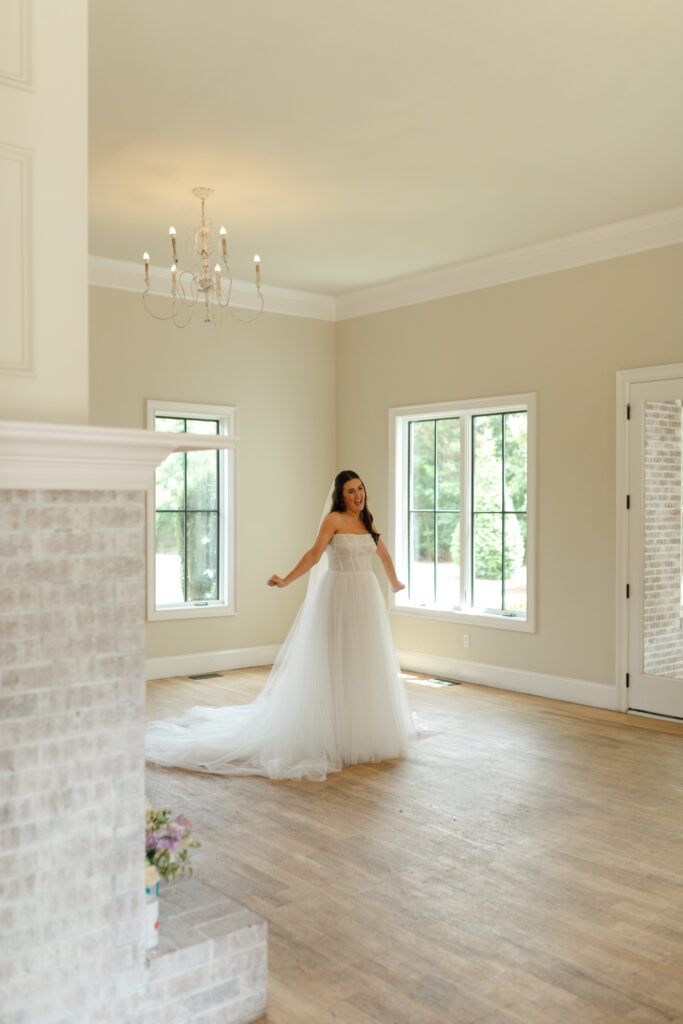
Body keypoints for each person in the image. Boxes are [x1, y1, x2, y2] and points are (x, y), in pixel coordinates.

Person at [145, 470, 415, 781]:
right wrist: (286, 580)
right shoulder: (334, 521)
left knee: (364, 659)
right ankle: (333, 731)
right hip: (339, 594)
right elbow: (314, 555)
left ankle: (362, 727)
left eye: (360, 489)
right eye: (351, 491)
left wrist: (395, 584)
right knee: (335, 659)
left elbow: (382, 555)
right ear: (341, 496)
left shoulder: (368, 522)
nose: (358, 496)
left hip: (366, 597)